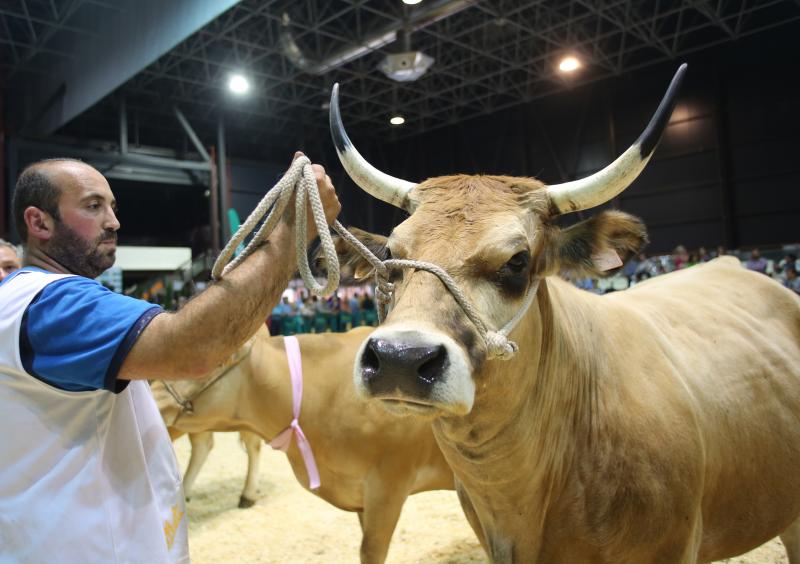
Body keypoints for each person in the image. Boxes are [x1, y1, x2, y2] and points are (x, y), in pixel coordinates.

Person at [0, 155, 339, 562]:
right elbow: (194, 348)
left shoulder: (20, 301)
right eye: (93, 206)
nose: (114, 222)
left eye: (112, 207)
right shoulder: (53, 302)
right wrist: (291, 233)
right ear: (39, 223)